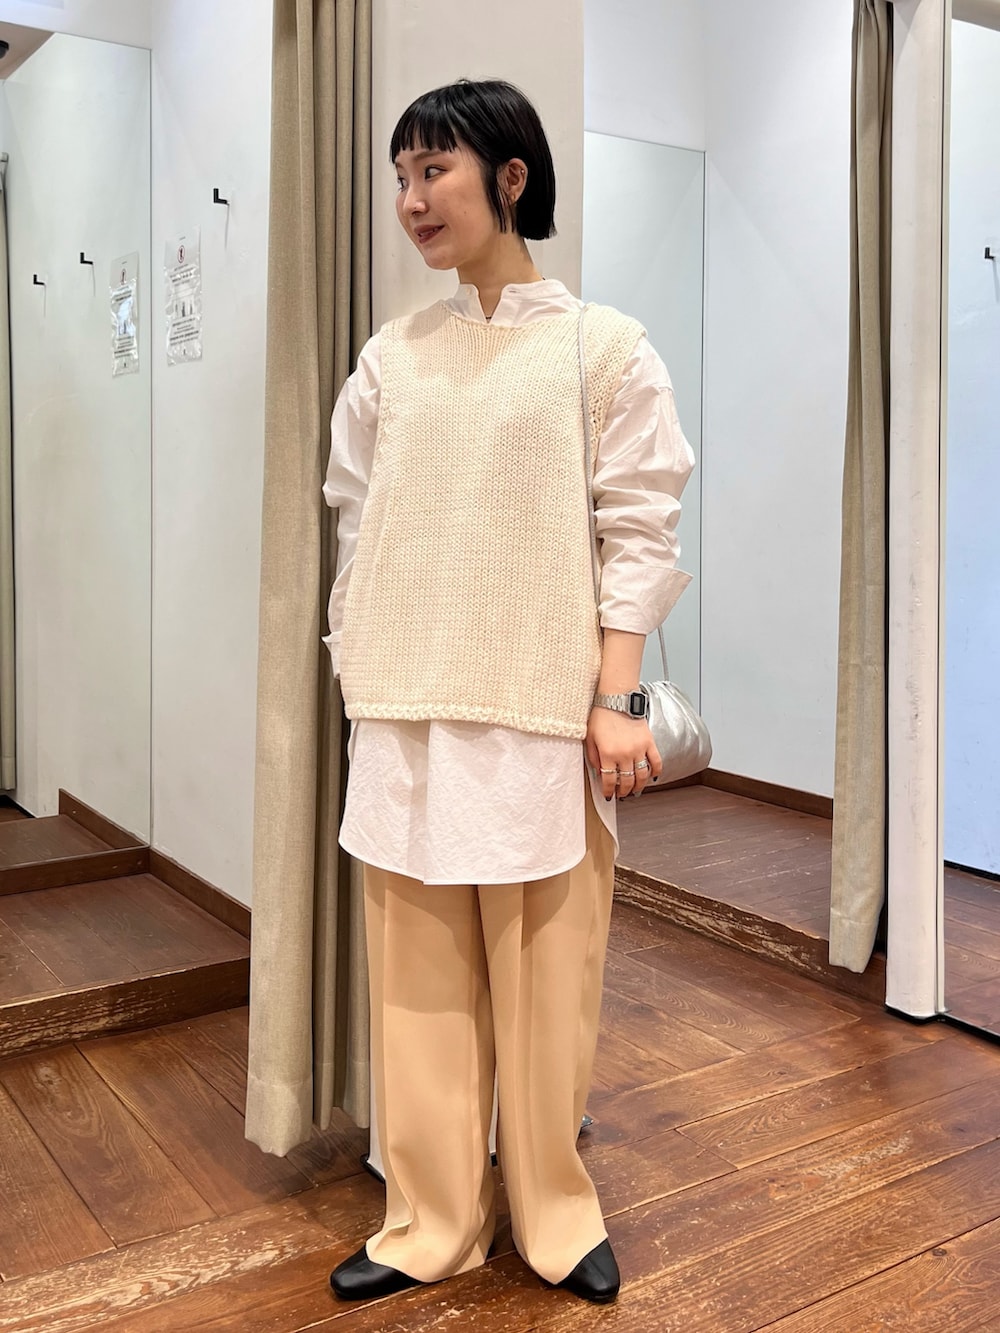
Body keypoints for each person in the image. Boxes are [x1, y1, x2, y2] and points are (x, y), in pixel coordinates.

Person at [322, 78, 695, 1307]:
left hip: (540, 707)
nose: (410, 199)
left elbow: (638, 528)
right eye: (401, 176)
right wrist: (356, 662)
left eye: (433, 170)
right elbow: (355, 522)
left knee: (547, 981)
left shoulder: (603, 348)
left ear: (510, 177)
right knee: (415, 983)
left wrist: (616, 699)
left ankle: (552, 1211)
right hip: (406, 705)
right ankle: (429, 1220)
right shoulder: (393, 356)